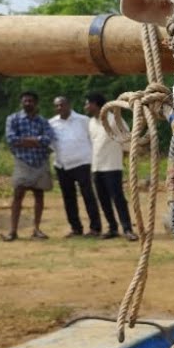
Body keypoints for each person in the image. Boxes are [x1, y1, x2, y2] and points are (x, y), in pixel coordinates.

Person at [85, 93, 138, 241]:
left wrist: (127, 154)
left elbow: (127, 137)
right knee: (103, 199)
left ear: (95, 104)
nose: (86, 107)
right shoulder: (91, 122)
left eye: (87, 103)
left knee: (118, 198)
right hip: (96, 167)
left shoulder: (114, 120)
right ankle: (112, 228)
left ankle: (127, 229)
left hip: (112, 166)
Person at [4, 91, 55, 241]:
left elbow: (47, 139)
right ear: (21, 103)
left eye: (31, 101)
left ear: (36, 103)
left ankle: (36, 229)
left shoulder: (42, 121)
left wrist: (25, 141)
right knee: (18, 195)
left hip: (40, 161)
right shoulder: (13, 119)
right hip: (22, 161)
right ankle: (13, 230)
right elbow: (11, 139)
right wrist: (36, 140)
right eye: (25, 101)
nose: (28, 103)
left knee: (39, 195)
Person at [49, 96, 102, 238]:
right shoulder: (51, 123)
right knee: (68, 198)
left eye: (62, 105)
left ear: (69, 105)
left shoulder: (83, 120)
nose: (59, 108)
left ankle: (95, 228)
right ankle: (76, 228)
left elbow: (93, 139)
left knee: (88, 196)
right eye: (57, 106)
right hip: (62, 165)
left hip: (82, 163)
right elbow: (50, 144)